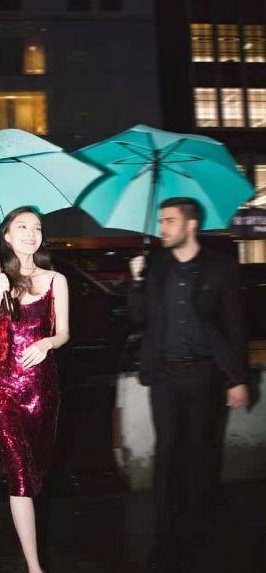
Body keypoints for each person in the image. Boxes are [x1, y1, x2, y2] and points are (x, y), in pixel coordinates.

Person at [127, 197, 249, 572]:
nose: (162, 227)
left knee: (201, 453)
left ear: (190, 224)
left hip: (204, 374)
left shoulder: (220, 268)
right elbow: (137, 317)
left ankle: (199, 533)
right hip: (164, 375)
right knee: (167, 454)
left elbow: (234, 327)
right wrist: (136, 280)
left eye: (169, 221)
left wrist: (237, 379)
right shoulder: (155, 265)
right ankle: (165, 537)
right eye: (161, 220)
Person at [0, 207, 69, 573]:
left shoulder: (55, 280)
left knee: (37, 472)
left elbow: (63, 333)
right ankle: (34, 567)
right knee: (18, 473)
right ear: (7, 236)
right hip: (1, 391)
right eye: (22, 226)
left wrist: (47, 342)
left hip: (43, 390)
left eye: (37, 227)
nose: (32, 233)